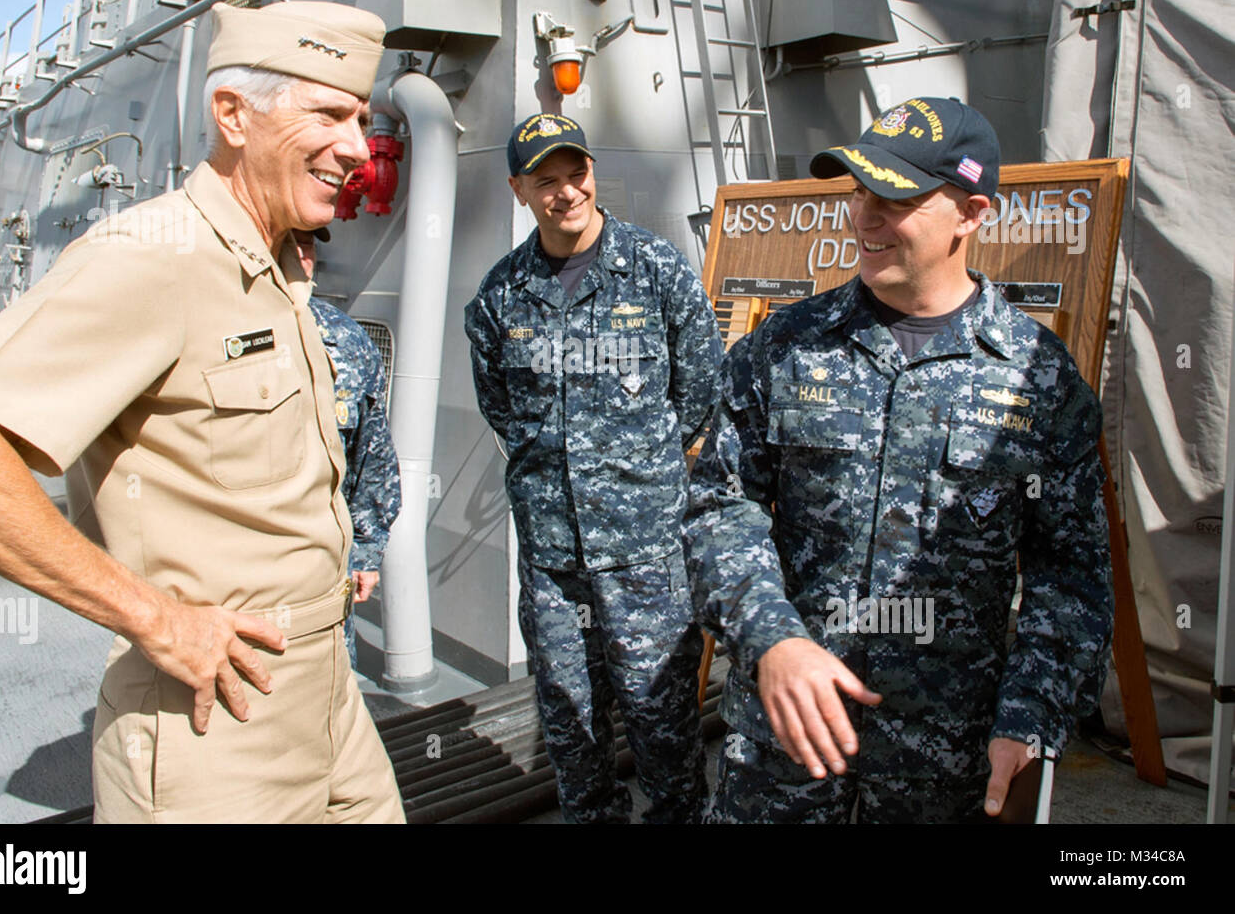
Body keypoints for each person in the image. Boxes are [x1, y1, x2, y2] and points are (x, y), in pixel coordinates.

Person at [0, 1, 406, 823]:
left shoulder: (274, 266)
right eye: (328, 113)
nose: (355, 147)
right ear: (233, 114)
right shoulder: (156, 256)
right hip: (217, 721)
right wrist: (153, 618)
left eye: (361, 118)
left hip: (327, 689)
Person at [683, 96, 1113, 823]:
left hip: (941, 767)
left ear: (972, 214)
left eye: (897, 197)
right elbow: (718, 503)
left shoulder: (1037, 379)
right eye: (860, 191)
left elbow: (1070, 573)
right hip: (781, 755)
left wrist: (1030, 715)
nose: (866, 216)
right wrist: (771, 636)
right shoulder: (785, 347)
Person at [464, 113, 722, 823]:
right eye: (545, 180)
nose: (566, 192)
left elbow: (701, 396)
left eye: (575, 173)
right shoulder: (498, 298)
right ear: (519, 189)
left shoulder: (658, 269)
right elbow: (503, 409)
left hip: (647, 557)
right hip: (553, 563)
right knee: (573, 737)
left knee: (666, 734)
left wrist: (634, 475)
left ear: (593, 173)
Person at [293, 226, 400, 670]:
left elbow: (371, 456)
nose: (299, 258)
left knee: (331, 699)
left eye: (306, 246)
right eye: (285, 244)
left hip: (323, 570)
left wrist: (366, 551)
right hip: (230, 579)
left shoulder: (345, 341)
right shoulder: (206, 334)